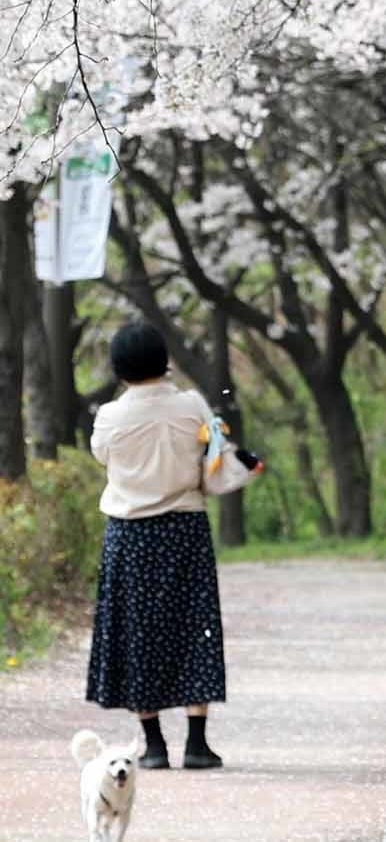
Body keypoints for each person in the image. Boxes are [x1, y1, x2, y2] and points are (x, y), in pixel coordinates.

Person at [86, 322, 227, 770]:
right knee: (193, 627)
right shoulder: (191, 404)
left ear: (119, 367)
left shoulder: (110, 415)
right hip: (185, 528)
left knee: (138, 633)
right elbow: (213, 447)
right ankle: (198, 744)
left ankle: (154, 745)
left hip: (130, 535)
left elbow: (101, 455)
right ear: (164, 357)